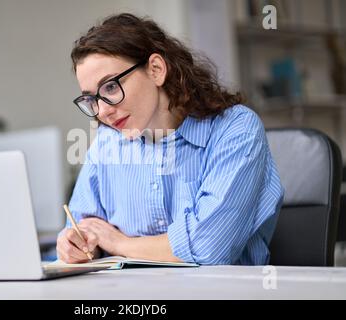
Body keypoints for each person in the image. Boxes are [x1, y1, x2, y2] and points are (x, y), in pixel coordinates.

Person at [56, 13, 284, 265]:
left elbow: (208, 248)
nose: (102, 111)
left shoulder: (236, 130)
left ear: (156, 70)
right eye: (91, 99)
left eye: (110, 87)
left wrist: (118, 243)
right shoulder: (107, 142)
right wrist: (75, 246)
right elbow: (82, 231)